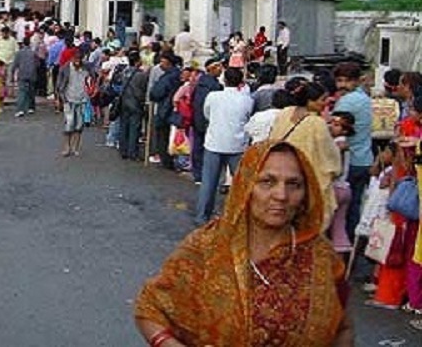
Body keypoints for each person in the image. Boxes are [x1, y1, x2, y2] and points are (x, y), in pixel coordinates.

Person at [136, 141, 353, 346]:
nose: (281, 195)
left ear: (306, 193)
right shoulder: (208, 246)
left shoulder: (322, 257)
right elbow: (151, 308)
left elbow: (342, 328)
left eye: (293, 184)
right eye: (267, 182)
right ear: (245, 186)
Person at [269, 80, 342, 231]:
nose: (325, 104)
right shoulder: (317, 124)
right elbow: (329, 158)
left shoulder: (285, 113)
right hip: (306, 181)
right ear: (310, 101)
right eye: (322, 100)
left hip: (281, 173)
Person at [195, 67, 252, 225]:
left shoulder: (213, 96)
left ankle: (202, 216)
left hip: (215, 142)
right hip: (237, 144)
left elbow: (206, 113)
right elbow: (248, 116)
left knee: (209, 182)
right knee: (241, 184)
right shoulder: (246, 99)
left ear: (224, 80)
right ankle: (242, 217)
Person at [332, 61, 373, 241]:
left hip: (350, 161)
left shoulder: (347, 101)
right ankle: (353, 242)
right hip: (365, 158)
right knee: (355, 204)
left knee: (343, 209)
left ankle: (343, 243)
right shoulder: (364, 98)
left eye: (346, 81)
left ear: (356, 81)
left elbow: (336, 128)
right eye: (339, 80)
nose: (342, 85)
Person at [191, 57, 224, 184]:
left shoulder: (200, 83)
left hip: (198, 119)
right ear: (211, 69)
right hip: (207, 120)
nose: (221, 69)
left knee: (198, 147)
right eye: (218, 67)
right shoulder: (214, 86)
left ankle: (198, 173)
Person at [56, 53, 90, 157]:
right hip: (68, 100)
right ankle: (67, 147)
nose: (77, 62)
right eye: (75, 59)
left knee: (79, 125)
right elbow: (59, 85)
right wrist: (59, 99)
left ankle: (75, 147)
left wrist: (92, 90)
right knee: (68, 125)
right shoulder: (65, 69)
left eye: (79, 59)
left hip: (82, 99)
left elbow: (93, 78)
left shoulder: (86, 68)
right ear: (71, 59)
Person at [117, 51, 149, 161]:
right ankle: (132, 152)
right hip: (136, 102)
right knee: (134, 128)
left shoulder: (124, 71)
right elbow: (144, 89)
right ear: (137, 61)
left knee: (124, 126)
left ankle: (123, 149)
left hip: (124, 101)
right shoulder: (141, 75)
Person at [13, 38, 38, 117]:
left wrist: (12, 74)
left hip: (22, 74)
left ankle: (20, 109)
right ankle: (31, 107)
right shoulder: (33, 53)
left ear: (23, 44)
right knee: (31, 91)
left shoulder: (19, 53)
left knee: (22, 92)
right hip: (32, 74)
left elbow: (15, 65)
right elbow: (37, 64)